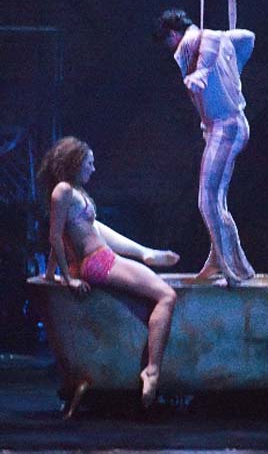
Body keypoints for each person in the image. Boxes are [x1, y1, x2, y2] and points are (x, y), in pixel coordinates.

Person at [37, 136, 178, 407]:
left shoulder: (76, 192)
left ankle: (146, 253)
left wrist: (52, 274)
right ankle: (152, 371)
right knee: (167, 296)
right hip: (99, 262)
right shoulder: (63, 191)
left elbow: (65, 235)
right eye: (89, 163)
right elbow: (54, 236)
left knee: (153, 299)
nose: (93, 168)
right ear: (75, 162)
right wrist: (66, 278)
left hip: (102, 258)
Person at [153, 8, 255, 285]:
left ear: (173, 35)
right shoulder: (217, 42)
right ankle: (224, 261)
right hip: (221, 127)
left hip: (226, 126)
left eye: (168, 43)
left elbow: (210, 40)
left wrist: (203, 71)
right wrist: (232, 55)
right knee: (216, 199)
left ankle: (229, 269)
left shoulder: (203, 40)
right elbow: (248, 37)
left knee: (207, 200)